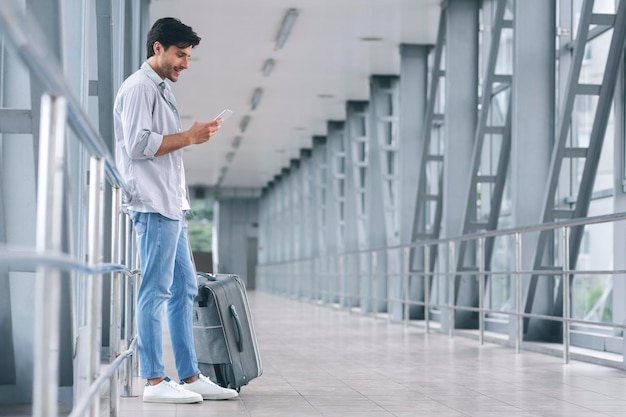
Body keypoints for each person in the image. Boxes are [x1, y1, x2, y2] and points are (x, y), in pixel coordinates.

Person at [114, 17, 239, 404]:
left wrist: (189, 142)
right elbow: (138, 145)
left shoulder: (161, 88)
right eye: (180, 55)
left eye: (188, 56)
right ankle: (153, 381)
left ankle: (188, 376)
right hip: (152, 205)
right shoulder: (139, 89)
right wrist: (189, 136)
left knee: (184, 288)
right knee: (154, 291)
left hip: (170, 205)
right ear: (158, 49)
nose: (185, 63)